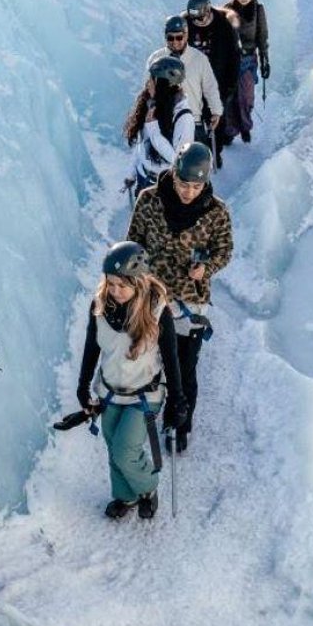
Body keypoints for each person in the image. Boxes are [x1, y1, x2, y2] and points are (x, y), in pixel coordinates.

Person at [125, 142, 233, 453]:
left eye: (196, 186)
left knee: (185, 367)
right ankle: (143, 416)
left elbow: (224, 250)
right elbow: (133, 241)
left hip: (189, 300)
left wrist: (207, 267)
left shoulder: (216, 213)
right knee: (150, 361)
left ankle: (180, 423)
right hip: (153, 297)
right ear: (173, 175)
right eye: (183, 184)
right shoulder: (149, 201)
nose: (188, 192)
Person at [75, 241, 186, 519]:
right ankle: (126, 496)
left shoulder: (158, 311)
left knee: (125, 448)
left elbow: (172, 359)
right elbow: (92, 348)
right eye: (110, 284)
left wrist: (177, 400)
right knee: (113, 445)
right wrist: (83, 385)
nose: (115, 291)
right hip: (110, 392)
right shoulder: (100, 305)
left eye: (122, 286)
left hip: (144, 395)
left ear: (138, 282)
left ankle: (147, 487)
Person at [147, 14, 221, 150]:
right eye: (170, 38)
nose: (175, 42)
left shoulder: (199, 59)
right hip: (163, 120)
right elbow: (147, 88)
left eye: (179, 37)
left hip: (193, 120)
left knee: (194, 166)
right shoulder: (156, 59)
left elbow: (210, 87)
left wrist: (216, 110)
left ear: (187, 35)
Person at [185, 0, 241, 170]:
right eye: (195, 20)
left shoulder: (224, 25)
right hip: (193, 84)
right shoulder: (185, 22)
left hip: (218, 83)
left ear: (208, 10)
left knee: (216, 121)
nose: (198, 22)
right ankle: (196, 157)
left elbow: (234, 57)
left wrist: (231, 86)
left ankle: (215, 154)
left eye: (201, 19)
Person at [124, 55, 195, 195]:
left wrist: (154, 129)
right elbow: (142, 142)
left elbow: (178, 161)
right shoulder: (153, 105)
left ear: (162, 83)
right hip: (143, 177)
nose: (148, 83)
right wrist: (131, 173)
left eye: (152, 79)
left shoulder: (183, 118)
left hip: (164, 187)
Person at [224, 0, 269, 147]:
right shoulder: (227, 10)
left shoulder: (258, 10)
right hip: (231, 61)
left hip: (249, 59)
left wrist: (265, 60)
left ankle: (244, 126)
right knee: (229, 98)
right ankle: (229, 131)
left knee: (246, 97)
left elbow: (262, 36)